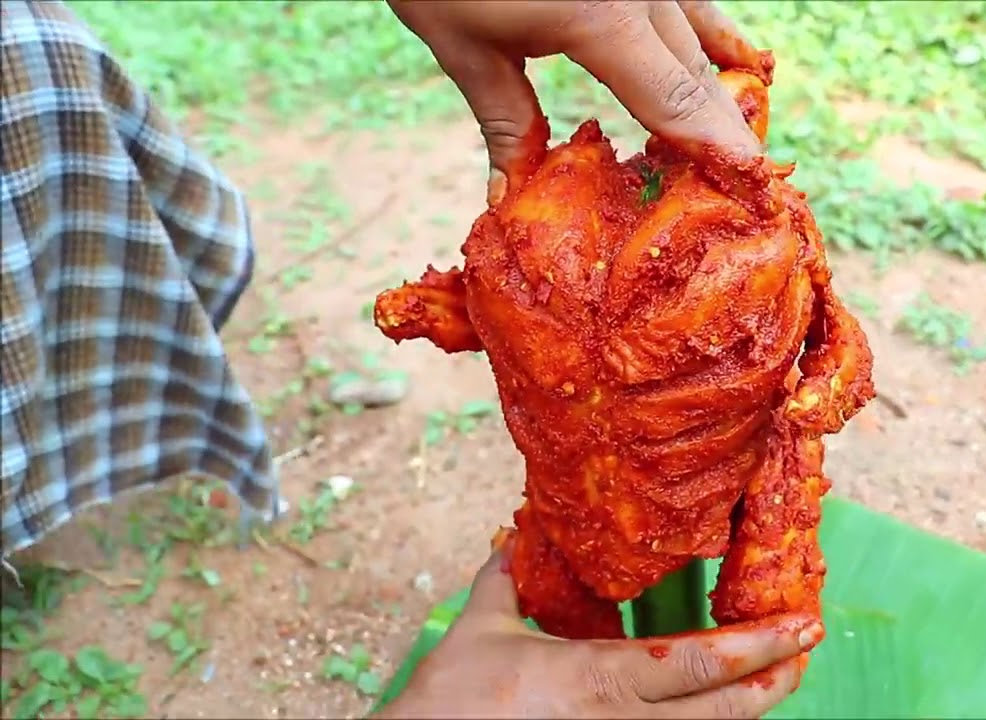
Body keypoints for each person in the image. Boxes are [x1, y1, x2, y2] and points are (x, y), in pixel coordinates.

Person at [0, 1, 816, 717]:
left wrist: (812, 397)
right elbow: (431, 311)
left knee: (770, 613)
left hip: (708, 488)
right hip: (571, 504)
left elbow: (826, 381)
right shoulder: (524, 268)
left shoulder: (755, 269)